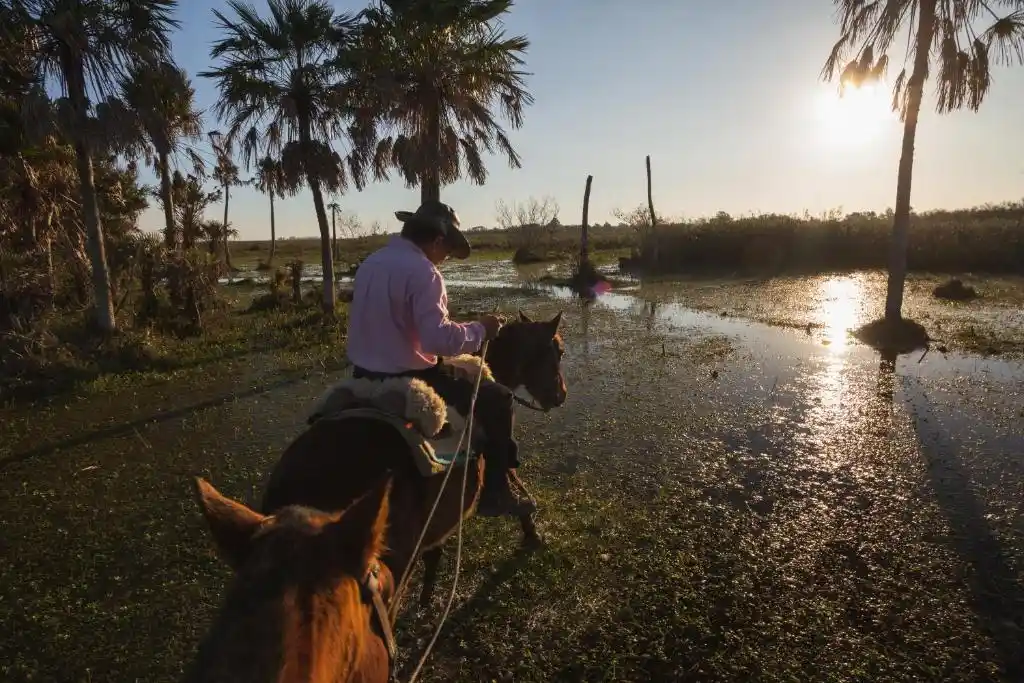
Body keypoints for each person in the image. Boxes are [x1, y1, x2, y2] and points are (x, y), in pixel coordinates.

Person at [345, 200, 536, 518]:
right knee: (499, 399)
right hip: (410, 377)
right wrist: (481, 329)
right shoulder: (424, 272)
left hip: (362, 374)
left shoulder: (372, 262)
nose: (444, 260)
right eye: (446, 252)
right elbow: (437, 340)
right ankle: (495, 493)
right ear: (436, 240)